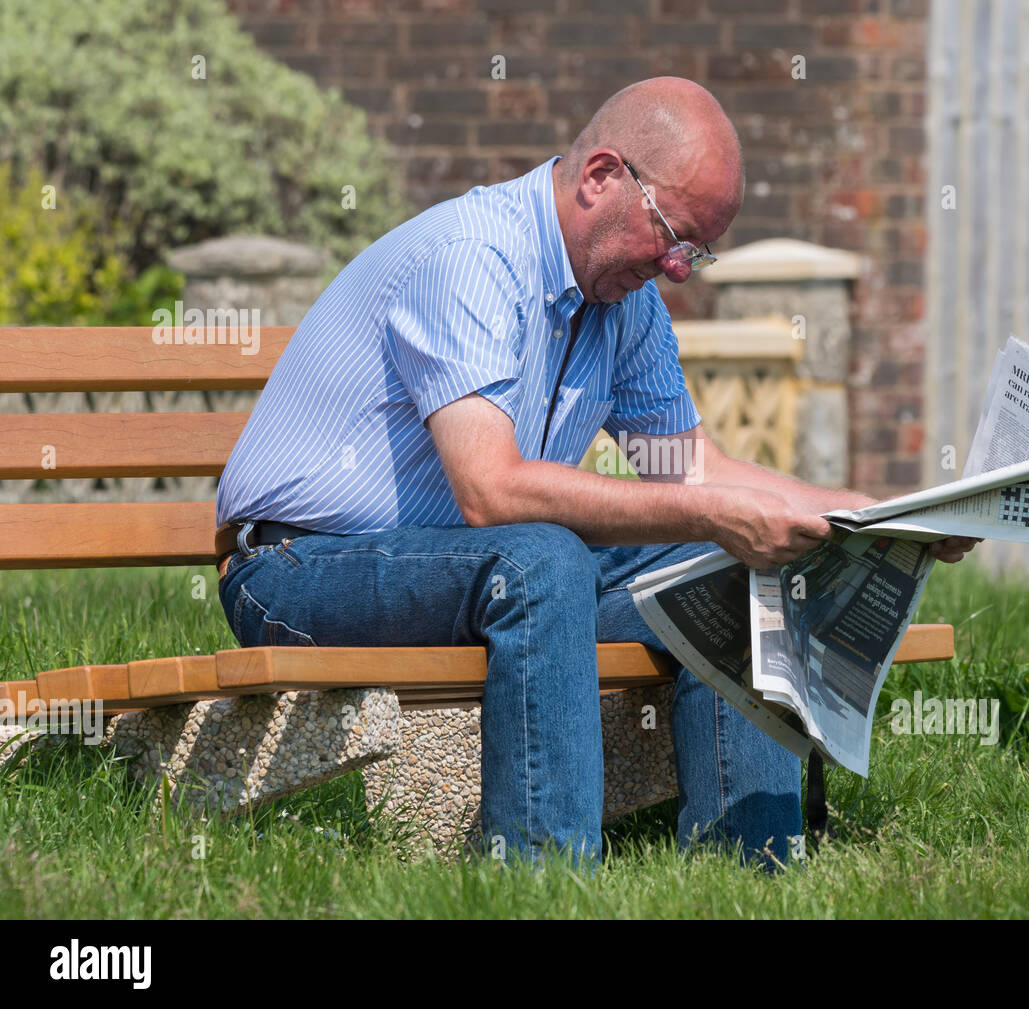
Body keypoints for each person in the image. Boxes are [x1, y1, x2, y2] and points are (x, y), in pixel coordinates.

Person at [213, 77, 978, 870]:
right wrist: (714, 515)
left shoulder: (628, 304)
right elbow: (491, 492)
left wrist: (879, 512)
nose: (680, 269)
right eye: (675, 235)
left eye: (698, 251)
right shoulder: (472, 259)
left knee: (730, 568)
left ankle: (755, 874)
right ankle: (548, 879)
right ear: (600, 176)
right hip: (295, 572)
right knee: (543, 559)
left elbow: (690, 471)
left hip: (461, 568)